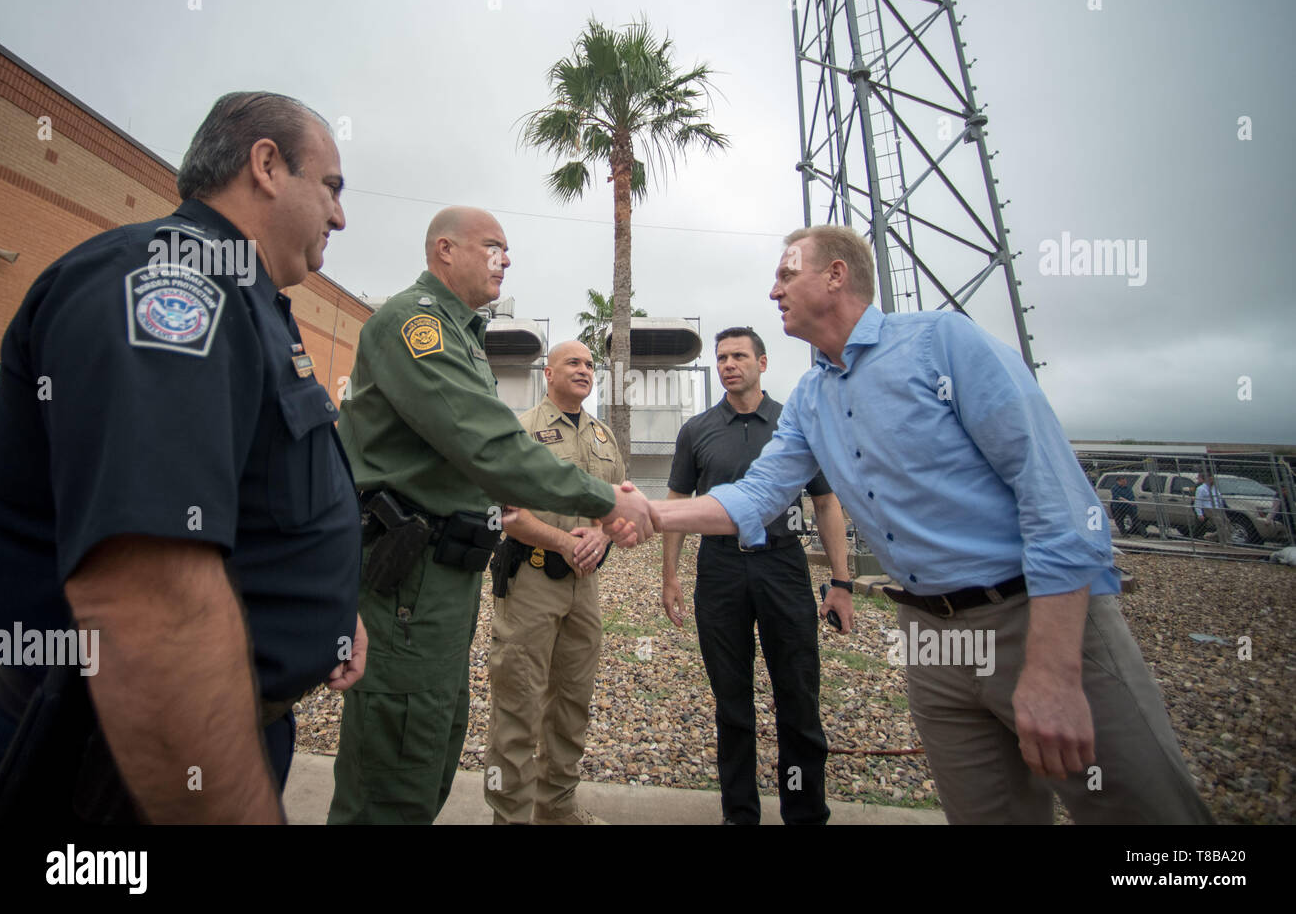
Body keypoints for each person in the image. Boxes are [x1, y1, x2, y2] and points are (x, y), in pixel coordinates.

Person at [630, 224, 1212, 824]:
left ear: (836, 274)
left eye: (786, 274)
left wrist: (1054, 669)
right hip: (931, 637)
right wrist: (649, 512)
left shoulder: (942, 344)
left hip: (1032, 618)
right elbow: (755, 497)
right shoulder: (811, 399)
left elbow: (1058, 501)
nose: (773, 290)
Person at [0, 91, 366, 824]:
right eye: (331, 187)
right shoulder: (173, 284)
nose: (340, 217)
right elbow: (149, 601)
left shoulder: (248, 300)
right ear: (266, 164)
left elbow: (255, 501)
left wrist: (326, 605)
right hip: (133, 759)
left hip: (225, 724)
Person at [327, 207, 653, 824]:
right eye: (494, 247)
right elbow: (490, 446)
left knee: (432, 745)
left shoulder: (462, 334)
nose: (507, 259)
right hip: (408, 580)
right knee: (396, 764)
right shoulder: (414, 325)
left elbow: (479, 454)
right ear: (444, 251)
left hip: (445, 579)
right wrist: (610, 500)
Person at [662, 326, 853, 825]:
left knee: (798, 694)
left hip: (782, 565)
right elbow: (678, 505)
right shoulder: (697, 430)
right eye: (722, 357)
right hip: (720, 568)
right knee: (732, 701)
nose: (729, 364)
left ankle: (805, 812)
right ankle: (739, 813)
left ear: (762, 363)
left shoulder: (795, 424)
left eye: (740, 356)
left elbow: (827, 503)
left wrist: (842, 581)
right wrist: (670, 576)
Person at [483, 340, 623, 825]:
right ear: (548, 373)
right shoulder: (522, 431)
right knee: (518, 706)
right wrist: (563, 542)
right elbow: (507, 514)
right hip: (532, 582)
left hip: (585, 589)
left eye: (589, 365)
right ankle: (510, 816)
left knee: (572, 704)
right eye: (573, 363)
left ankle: (556, 808)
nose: (584, 370)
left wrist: (602, 536)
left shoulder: (604, 437)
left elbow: (618, 507)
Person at [1192, 472, 1230, 542]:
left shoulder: (1214, 488)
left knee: (1228, 524)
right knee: (1221, 525)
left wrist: (1223, 507)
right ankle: (1226, 541)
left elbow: (1219, 499)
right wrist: (1199, 514)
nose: (1212, 481)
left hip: (1218, 508)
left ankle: (1209, 536)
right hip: (1209, 509)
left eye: (1212, 479)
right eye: (1210, 479)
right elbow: (1198, 502)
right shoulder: (1201, 489)